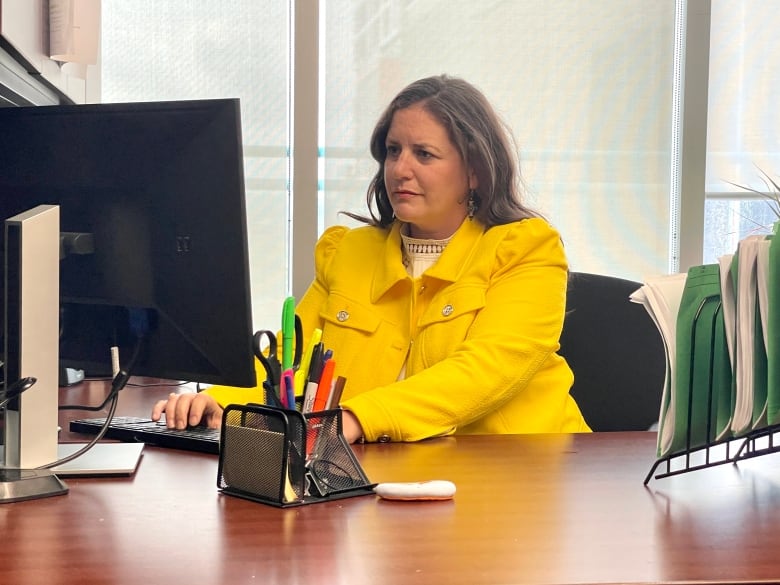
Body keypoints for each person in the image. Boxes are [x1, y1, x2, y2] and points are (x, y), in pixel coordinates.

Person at [152, 74, 591, 442]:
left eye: (424, 154)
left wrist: (359, 418)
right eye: (393, 151)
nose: (400, 169)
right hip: (384, 475)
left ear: (474, 170)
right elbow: (291, 358)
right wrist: (219, 398)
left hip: (524, 478)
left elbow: (485, 370)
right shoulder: (348, 251)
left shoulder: (527, 249)